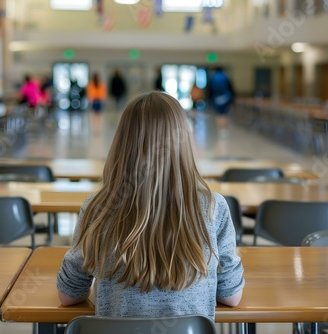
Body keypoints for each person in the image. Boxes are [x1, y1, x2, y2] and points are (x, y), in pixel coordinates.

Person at [56, 91, 244, 322]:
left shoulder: (99, 207)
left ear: (122, 144)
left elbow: (68, 295)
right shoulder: (213, 207)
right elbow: (231, 296)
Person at [209, 67, 235, 136]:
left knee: (218, 114)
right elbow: (231, 88)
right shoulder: (225, 76)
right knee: (224, 114)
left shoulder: (213, 77)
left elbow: (210, 90)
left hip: (216, 98)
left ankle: (219, 128)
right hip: (226, 97)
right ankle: (224, 129)